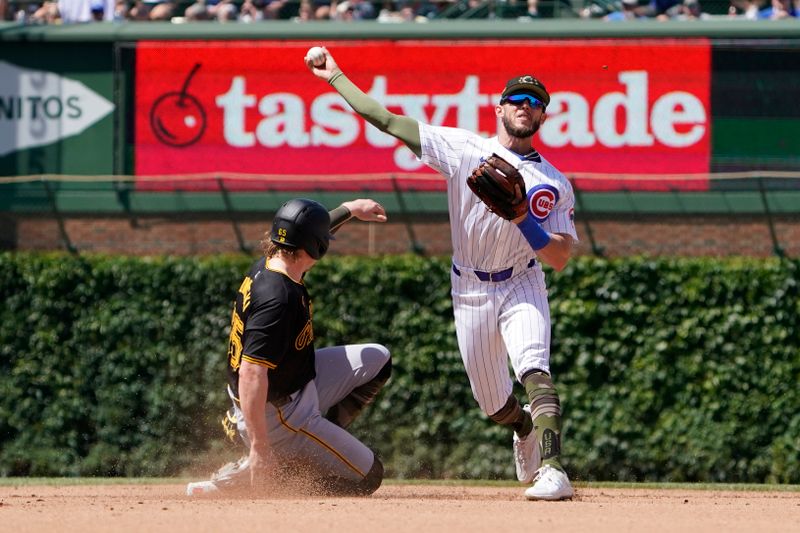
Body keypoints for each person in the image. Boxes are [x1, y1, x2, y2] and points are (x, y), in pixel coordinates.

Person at [305, 48, 577, 501]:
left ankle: (553, 469)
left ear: (544, 116)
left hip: (521, 281)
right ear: (500, 108)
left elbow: (561, 256)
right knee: (493, 404)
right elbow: (388, 121)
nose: (525, 107)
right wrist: (335, 76)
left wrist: (523, 219)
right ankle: (523, 425)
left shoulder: (553, 182)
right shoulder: (463, 148)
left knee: (535, 368)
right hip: (469, 286)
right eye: (518, 100)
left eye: (534, 102)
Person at [186, 197, 392, 497]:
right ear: (316, 246)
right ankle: (278, 470)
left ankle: (307, 445)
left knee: (378, 359)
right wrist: (259, 446)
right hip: (279, 412)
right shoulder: (277, 299)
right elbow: (251, 373)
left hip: (296, 384)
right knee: (368, 477)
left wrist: (351, 208)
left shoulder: (277, 263)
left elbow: (304, 230)